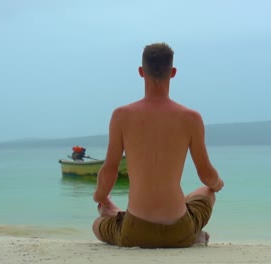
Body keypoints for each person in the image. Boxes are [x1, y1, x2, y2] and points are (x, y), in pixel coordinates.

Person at [92, 43, 224, 248]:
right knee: (206, 192)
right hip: (179, 231)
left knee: (98, 225)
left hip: (136, 231)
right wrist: (217, 185)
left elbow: (110, 171)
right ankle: (194, 235)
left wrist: (100, 197)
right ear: (173, 73)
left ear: (141, 72)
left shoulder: (122, 116)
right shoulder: (191, 118)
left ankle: (113, 211)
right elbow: (206, 173)